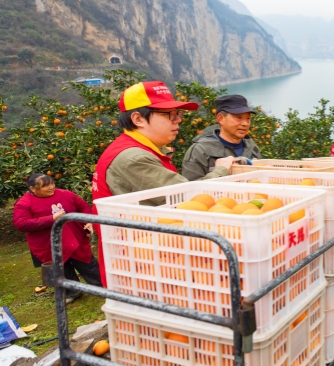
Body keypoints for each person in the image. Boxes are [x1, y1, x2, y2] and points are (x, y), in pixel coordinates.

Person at [92, 81, 235, 286]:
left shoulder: (138, 149)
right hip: (141, 265)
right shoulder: (133, 158)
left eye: (179, 114)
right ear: (138, 118)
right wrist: (222, 169)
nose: (178, 121)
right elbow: (189, 198)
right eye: (170, 115)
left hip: (147, 256)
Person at [13, 174, 102, 303]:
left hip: (74, 236)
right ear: (32, 189)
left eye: (52, 183)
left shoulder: (65, 194)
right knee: (62, 267)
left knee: (87, 263)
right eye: (46, 186)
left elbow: (82, 206)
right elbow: (21, 223)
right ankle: (72, 291)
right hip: (49, 242)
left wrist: (88, 220)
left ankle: (100, 286)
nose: (51, 187)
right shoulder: (24, 203)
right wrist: (51, 219)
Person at [181, 94, 262, 181]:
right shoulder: (200, 150)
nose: (245, 123)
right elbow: (189, 188)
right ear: (221, 118)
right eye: (239, 118)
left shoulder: (251, 147)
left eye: (248, 119)